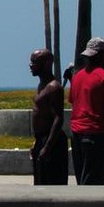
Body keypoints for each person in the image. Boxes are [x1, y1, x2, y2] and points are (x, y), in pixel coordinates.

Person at [68, 37, 104, 185]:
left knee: (82, 177)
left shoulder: (77, 77)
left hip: (76, 135)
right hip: (95, 134)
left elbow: (74, 102)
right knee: (95, 180)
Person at [29, 48, 68, 185]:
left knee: (52, 181)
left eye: (34, 62)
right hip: (41, 139)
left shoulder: (54, 87)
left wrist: (47, 146)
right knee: (40, 181)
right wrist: (37, 143)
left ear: (46, 63)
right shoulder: (41, 85)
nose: (30, 65)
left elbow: (58, 118)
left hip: (52, 142)